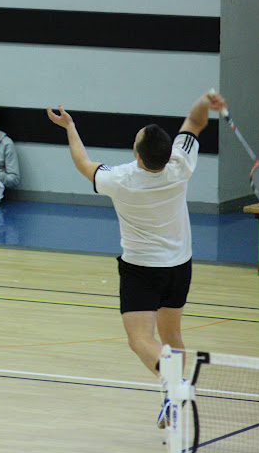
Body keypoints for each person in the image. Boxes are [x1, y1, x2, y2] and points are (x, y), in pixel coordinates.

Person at [46, 91, 226, 428]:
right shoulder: (181, 164)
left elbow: (83, 163)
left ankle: (176, 384)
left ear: (138, 155)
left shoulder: (120, 179)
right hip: (179, 267)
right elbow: (195, 122)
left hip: (141, 271)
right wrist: (204, 101)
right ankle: (171, 397)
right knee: (171, 337)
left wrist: (70, 127)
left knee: (140, 339)